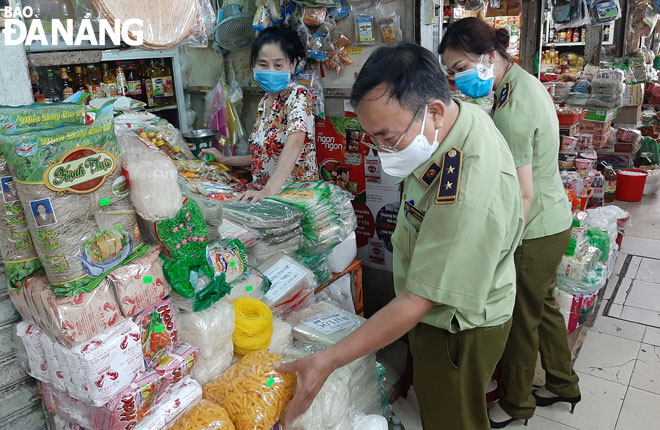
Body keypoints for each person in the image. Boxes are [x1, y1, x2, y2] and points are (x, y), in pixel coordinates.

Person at [277, 41, 524, 430]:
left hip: (458, 324)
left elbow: (418, 299)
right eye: (372, 137)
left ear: (435, 112)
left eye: (387, 137)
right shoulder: (454, 123)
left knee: (452, 418)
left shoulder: (467, 188)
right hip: (439, 303)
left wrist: (327, 360)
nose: (380, 150)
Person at [439, 17, 581, 428]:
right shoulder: (517, 83)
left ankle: (518, 403)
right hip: (552, 221)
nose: (457, 78)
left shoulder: (514, 106)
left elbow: (522, 192)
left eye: (462, 68)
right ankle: (561, 383)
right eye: (451, 73)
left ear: (488, 56)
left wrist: (502, 247)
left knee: (520, 318)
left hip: (534, 228)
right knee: (544, 308)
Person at [200, 24, 318, 201]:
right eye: (263, 64)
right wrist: (224, 160)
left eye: (278, 65)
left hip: (295, 197)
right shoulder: (264, 103)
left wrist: (268, 190)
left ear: (292, 66)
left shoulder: (298, 95)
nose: (270, 70)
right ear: (254, 66)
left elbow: (294, 144)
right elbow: (262, 155)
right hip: (266, 197)